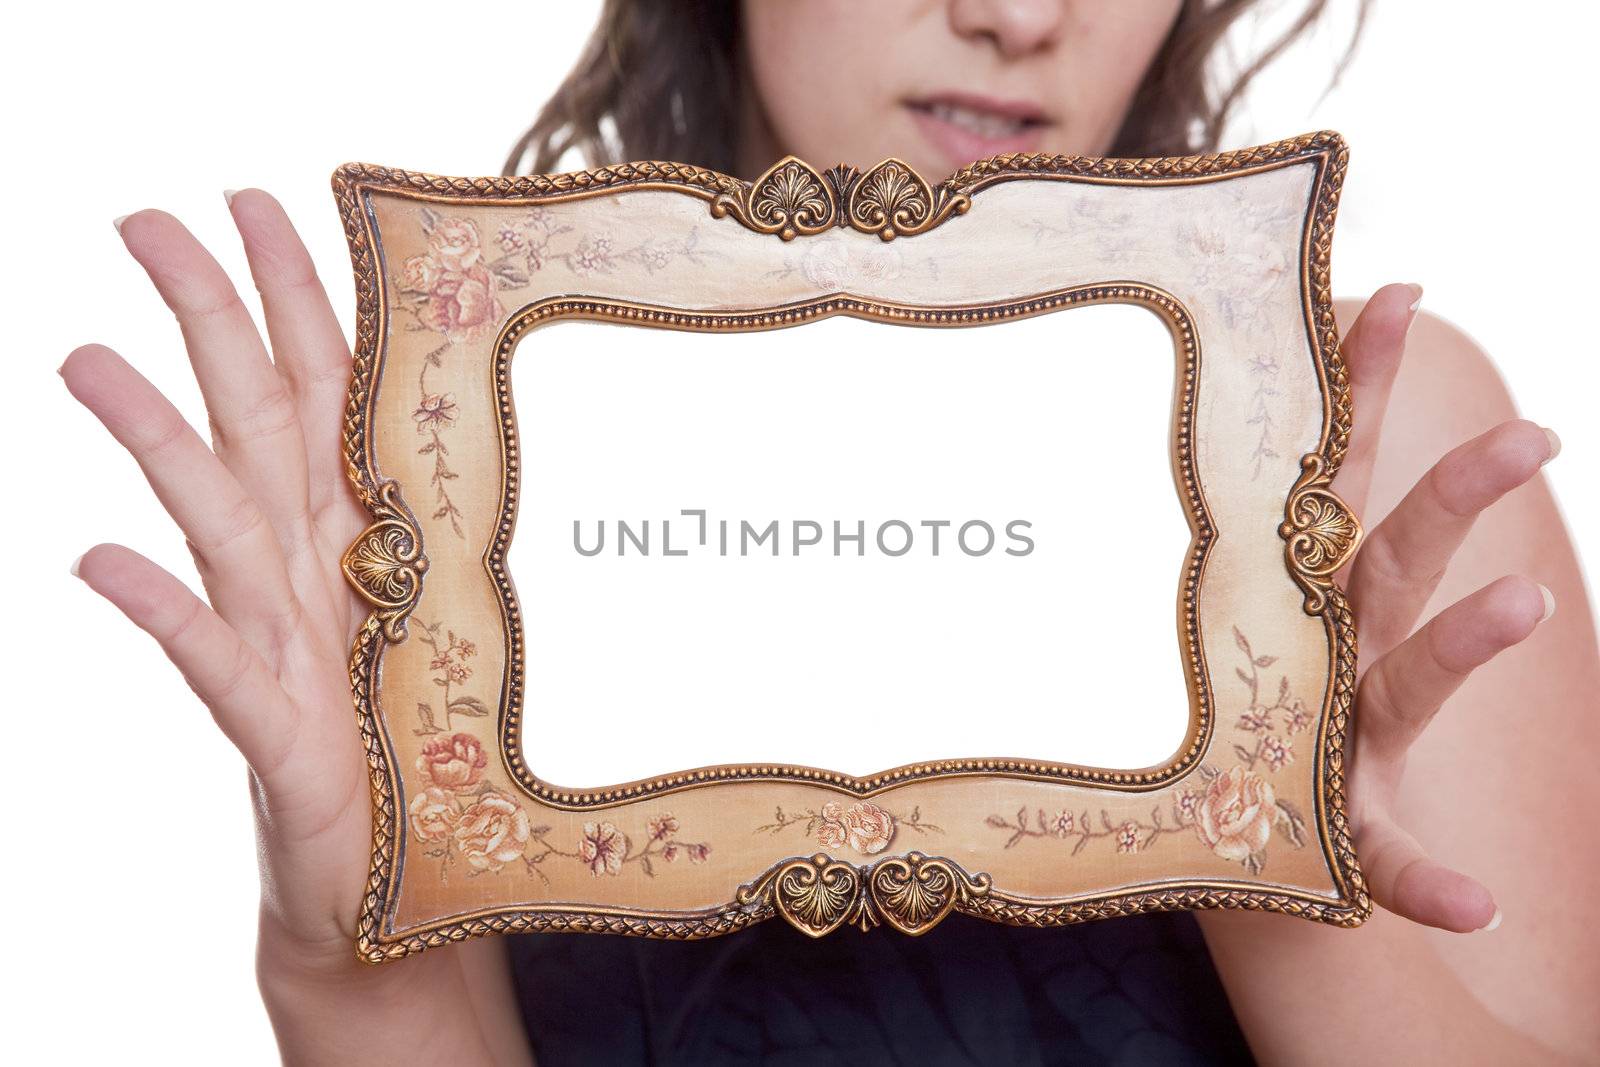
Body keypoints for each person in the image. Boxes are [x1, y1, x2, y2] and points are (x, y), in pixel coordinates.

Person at [58, 1, 1600, 1063]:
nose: (1016, 10)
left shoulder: (1368, 435)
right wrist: (342, 974)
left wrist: (1262, 817)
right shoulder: (481, 447)